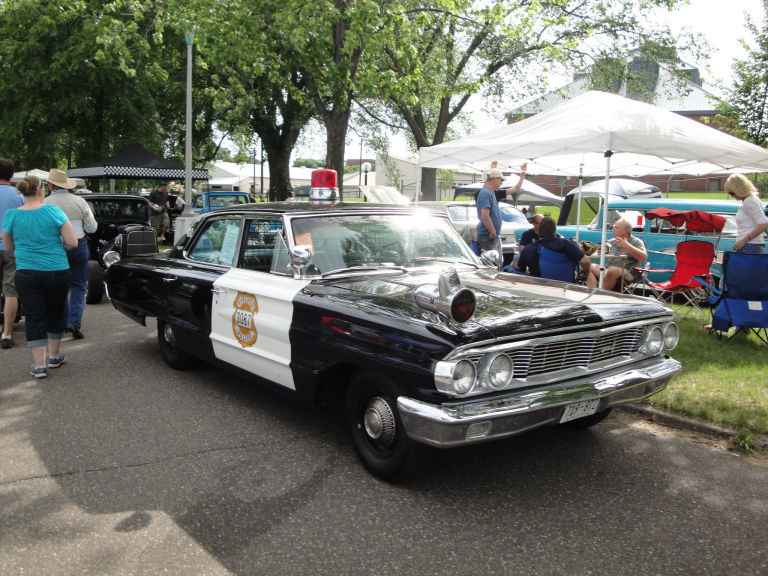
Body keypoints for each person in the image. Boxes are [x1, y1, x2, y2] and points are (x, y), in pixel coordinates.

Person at [2, 175, 77, 378]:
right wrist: (57, 248)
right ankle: (54, 356)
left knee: (34, 317)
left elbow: (8, 246)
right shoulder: (54, 211)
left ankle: (39, 365)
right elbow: (72, 242)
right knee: (55, 312)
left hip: (26, 272)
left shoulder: (12, 215)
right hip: (57, 270)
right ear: (42, 190)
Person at [43, 168, 97, 339]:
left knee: (56, 287)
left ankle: (59, 322)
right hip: (78, 245)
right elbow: (91, 227)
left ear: (51, 185)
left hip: (56, 248)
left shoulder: (45, 203)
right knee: (79, 286)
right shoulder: (80, 201)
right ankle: (74, 322)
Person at [515, 216, 591, 280]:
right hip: (565, 288)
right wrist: (585, 273)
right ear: (555, 231)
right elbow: (585, 261)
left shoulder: (530, 249)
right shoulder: (567, 244)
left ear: (539, 231)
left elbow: (519, 268)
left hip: (539, 289)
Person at [0, 158, 23, 348]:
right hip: (12, 249)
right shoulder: (18, 196)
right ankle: (6, 334)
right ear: (11, 175)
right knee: (10, 290)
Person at [586, 218, 647, 291]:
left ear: (625, 230)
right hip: (608, 269)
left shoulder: (636, 242)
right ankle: (593, 291)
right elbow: (597, 250)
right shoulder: (611, 242)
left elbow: (643, 258)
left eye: (616, 228)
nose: (613, 229)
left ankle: (602, 294)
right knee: (587, 266)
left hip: (628, 272)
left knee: (612, 270)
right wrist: (599, 250)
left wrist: (627, 246)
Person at [726, 173, 768, 254]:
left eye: (732, 193)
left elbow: (763, 223)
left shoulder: (749, 201)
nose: (731, 196)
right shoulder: (751, 199)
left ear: (739, 189)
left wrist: (743, 241)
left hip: (750, 246)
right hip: (750, 245)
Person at [475, 168, 505, 268]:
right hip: (487, 236)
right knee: (490, 267)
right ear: (495, 179)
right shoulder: (486, 193)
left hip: (490, 236)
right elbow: (484, 215)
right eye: (501, 180)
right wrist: (492, 231)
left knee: (495, 265)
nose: (501, 183)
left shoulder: (489, 192)